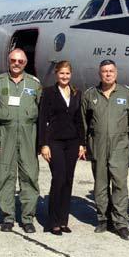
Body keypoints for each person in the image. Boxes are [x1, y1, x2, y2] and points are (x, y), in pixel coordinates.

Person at [81, 59, 129, 241]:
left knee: (119, 185)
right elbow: (83, 122)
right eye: (104, 71)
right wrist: (83, 144)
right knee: (100, 185)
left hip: (120, 147)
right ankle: (102, 219)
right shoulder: (90, 95)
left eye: (111, 71)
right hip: (98, 146)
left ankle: (120, 223)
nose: (108, 74)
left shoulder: (126, 94)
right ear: (99, 74)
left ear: (116, 73)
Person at [0, 48, 42, 234]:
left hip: (29, 137)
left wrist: (41, 142)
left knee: (30, 176)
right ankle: (8, 217)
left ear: (25, 63)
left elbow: (42, 114)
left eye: (20, 61)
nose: (17, 63)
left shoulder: (35, 84)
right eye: (13, 60)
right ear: (8, 61)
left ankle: (28, 218)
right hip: (6, 136)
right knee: (5, 177)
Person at [38, 60, 86, 235]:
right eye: (61, 73)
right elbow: (42, 119)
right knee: (58, 178)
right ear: (56, 74)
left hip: (72, 142)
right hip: (55, 142)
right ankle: (52, 222)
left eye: (67, 73)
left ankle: (63, 220)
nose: (65, 76)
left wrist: (82, 143)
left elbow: (79, 120)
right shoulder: (49, 93)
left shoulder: (76, 93)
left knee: (68, 180)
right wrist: (43, 144)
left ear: (70, 75)